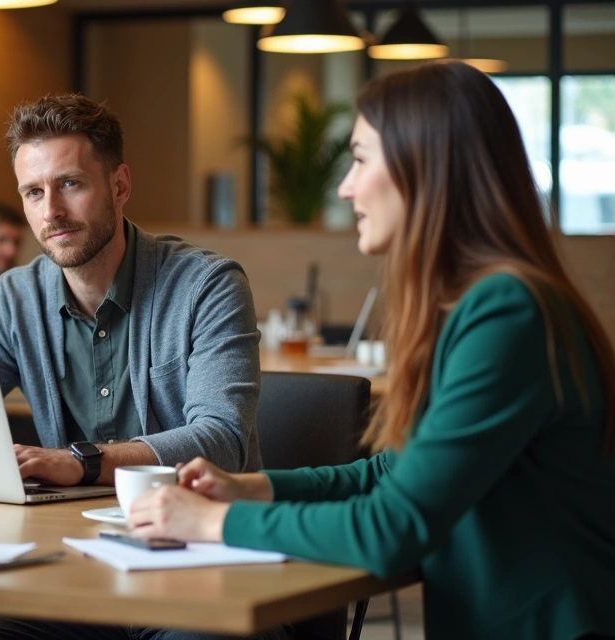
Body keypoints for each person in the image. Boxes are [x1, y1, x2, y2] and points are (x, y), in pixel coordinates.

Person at [128, 61, 615, 640]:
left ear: (424, 166)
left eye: (360, 159)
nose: (345, 187)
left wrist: (216, 522)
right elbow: (397, 473)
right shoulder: (484, 304)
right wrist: (255, 487)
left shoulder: (507, 312)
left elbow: (396, 528)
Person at [0, 95, 279, 640]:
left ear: (119, 187)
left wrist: (82, 462)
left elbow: (222, 440)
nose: (50, 211)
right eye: (33, 191)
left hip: (201, 570)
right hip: (73, 574)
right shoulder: (16, 297)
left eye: (70, 184)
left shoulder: (207, 286)